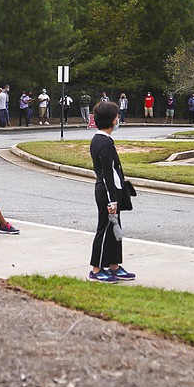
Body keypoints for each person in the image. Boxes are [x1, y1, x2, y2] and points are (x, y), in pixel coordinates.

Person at [88, 101, 136, 283]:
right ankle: (96, 269)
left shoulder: (102, 139)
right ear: (111, 120)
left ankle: (114, 265)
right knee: (105, 228)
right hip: (107, 192)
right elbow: (107, 174)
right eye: (117, 116)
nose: (119, 119)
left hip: (112, 190)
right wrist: (112, 201)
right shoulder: (103, 142)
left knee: (115, 228)